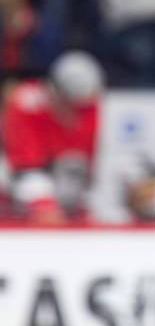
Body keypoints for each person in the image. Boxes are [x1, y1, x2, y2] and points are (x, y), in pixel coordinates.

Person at [2, 50, 104, 224]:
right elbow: (24, 165)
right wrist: (44, 203)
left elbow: (87, 159)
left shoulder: (90, 107)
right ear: (54, 90)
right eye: (70, 104)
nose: (76, 113)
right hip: (21, 173)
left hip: (61, 173)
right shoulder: (26, 103)